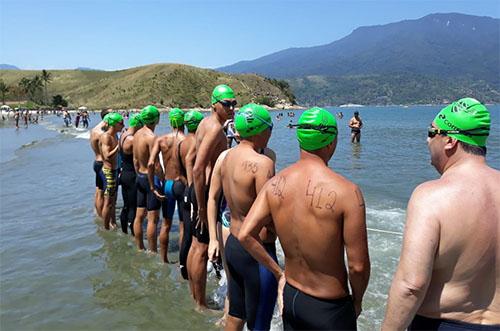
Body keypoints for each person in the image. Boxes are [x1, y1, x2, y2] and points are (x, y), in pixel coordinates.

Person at [239, 107, 370, 330]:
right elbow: (357, 266)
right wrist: (357, 300)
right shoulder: (348, 192)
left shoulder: (275, 184)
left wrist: (279, 274)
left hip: (292, 297)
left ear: (300, 138)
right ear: (332, 142)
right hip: (329, 307)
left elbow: (245, 235)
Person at [382, 98, 499, 331]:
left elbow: (411, 285)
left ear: (450, 140)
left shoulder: (431, 196)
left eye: (431, 132)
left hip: (442, 324)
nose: (427, 139)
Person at [211, 104, 277, 331]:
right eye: (270, 128)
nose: (270, 133)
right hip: (257, 250)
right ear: (259, 131)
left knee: (235, 315)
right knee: (259, 325)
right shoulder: (263, 164)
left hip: (233, 246)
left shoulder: (227, 157)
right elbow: (269, 213)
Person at [188, 84, 236, 309]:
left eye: (234, 103)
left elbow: (191, 158)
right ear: (213, 105)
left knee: (195, 245)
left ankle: (195, 296)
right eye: (227, 104)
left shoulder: (205, 124)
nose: (232, 108)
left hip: (199, 189)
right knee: (200, 248)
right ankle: (200, 304)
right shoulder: (215, 128)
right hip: (205, 193)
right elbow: (198, 167)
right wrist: (200, 204)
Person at [148, 108, 187, 263]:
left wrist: (152, 186)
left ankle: (163, 260)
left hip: (167, 184)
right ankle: (182, 263)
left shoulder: (161, 139)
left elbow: (151, 163)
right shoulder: (186, 140)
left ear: (170, 122)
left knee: (166, 224)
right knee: (183, 226)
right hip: (181, 184)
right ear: (183, 121)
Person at [178, 110, 204, 280]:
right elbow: (189, 162)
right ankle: (190, 274)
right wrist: (193, 186)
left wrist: (186, 185)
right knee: (195, 240)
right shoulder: (197, 142)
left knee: (187, 233)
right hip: (193, 190)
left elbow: (178, 166)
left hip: (184, 189)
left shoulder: (181, 142)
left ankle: (183, 269)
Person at [132, 105, 161, 252]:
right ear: (156, 120)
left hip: (140, 177)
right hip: (151, 179)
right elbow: (155, 165)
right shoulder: (152, 137)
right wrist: (161, 180)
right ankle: (153, 251)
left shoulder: (136, 135)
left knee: (139, 216)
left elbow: (135, 160)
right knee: (152, 219)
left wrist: (139, 175)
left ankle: (139, 247)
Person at [118, 113, 143, 235]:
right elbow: (138, 159)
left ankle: (124, 231)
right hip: (132, 175)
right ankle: (134, 233)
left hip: (124, 173)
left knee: (126, 205)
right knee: (133, 206)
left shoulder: (123, 134)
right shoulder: (132, 139)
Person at [99, 112, 124, 230]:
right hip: (108, 172)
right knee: (108, 202)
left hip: (115, 170)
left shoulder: (115, 135)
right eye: (121, 123)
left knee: (113, 201)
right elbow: (107, 155)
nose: (123, 125)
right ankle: (106, 228)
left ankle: (113, 222)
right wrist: (118, 147)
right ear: (114, 124)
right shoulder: (106, 137)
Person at [90, 109, 111, 218]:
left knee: (99, 190)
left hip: (96, 162)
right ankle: (105, 218)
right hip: (104, 164)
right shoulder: (104, 132)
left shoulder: (94, 130)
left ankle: (98, 214)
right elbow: (107, 153)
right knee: (106, 193)